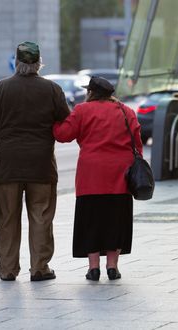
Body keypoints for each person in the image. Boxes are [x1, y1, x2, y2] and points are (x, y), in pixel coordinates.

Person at [0, 41, 70, 281]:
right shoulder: (52, 90)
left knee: (7, 218)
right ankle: (40, 268)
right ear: (38, 63)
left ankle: (7, 269)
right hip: (42, 166)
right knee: (41, 217)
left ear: (16, 63)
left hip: (7, 167)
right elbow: (66, 124)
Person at [53, 76, 142, 281]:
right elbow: (137, 143)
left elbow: (63, 134)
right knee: (115, 221)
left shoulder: (83, 110)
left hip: (90, 176)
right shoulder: (126, 111)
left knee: (91, 221)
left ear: (91, 92)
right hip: (120, 177)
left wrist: (55, 122)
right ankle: (112, 267)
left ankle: (93, 268)